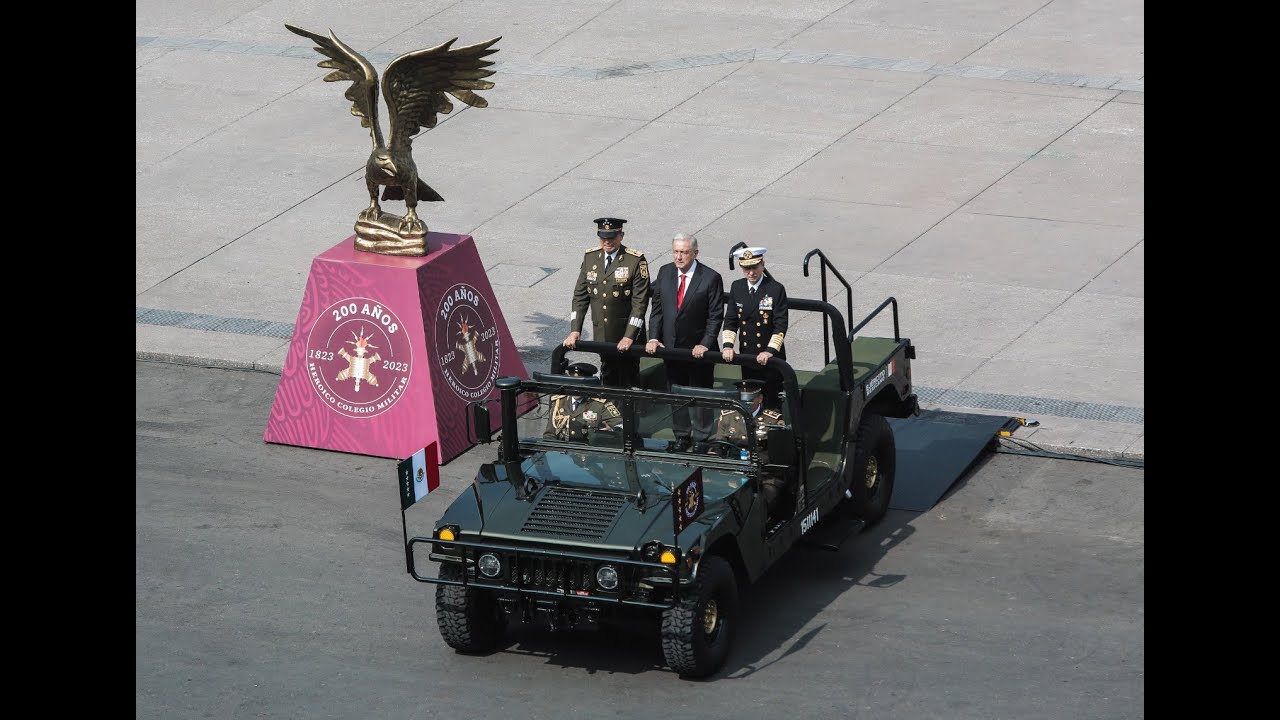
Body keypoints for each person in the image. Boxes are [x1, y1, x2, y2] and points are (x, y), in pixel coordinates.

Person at [645, 232, 725, 452]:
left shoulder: (710, 277)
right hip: (671, 348)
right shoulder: (665, 272)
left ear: (695, 253)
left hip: (699, 350)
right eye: (676, 252)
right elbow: (657, 310)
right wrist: (654, 337)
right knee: (676, 392)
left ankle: (701, 439)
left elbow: (715, 315)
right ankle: (681, 435)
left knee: (700, 394)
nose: (679, 257)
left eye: (684, 252)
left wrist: (706, 343)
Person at [564, 218, 651, 388]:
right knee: (608, 376)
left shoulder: (634, 261)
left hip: (627, 335)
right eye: (603, 237)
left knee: (628, 378)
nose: (607, 241)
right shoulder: (591, 258)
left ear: (621, 236)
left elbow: (639, 303)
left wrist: (629, 335)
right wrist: (575, 330)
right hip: (603, 334)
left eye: (612, 237)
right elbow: (580, 297)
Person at [721, 247, 788, 410]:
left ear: (762, 266)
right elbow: (730, 320)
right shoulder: (737, 287)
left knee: (771, 402)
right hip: (748, 357)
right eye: (746, 268)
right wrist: (728, 346)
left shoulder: (775, 289)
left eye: (754, 267)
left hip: (770, 358)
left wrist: (769, 351)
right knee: (750, 400)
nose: (751, 273)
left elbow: (780, 325)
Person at [711, 380, 788, 516]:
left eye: (749, 400)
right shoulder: (728, 417)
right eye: (742, 400)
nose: (746, 404)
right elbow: (719, 445)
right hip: (734, 471)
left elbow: (779, 456)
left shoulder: (772, 420)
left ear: (759, 399)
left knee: (759, 506)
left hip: (764, 476)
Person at [542, 362, 622, 441]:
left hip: (588, 450)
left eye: (581, 385)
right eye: (573, 383)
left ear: (589, 384)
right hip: (562, 450)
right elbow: (549, 434)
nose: (576, 389)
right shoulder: (559, 402)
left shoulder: (600, 404)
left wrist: (611, 431)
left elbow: (619, 424)